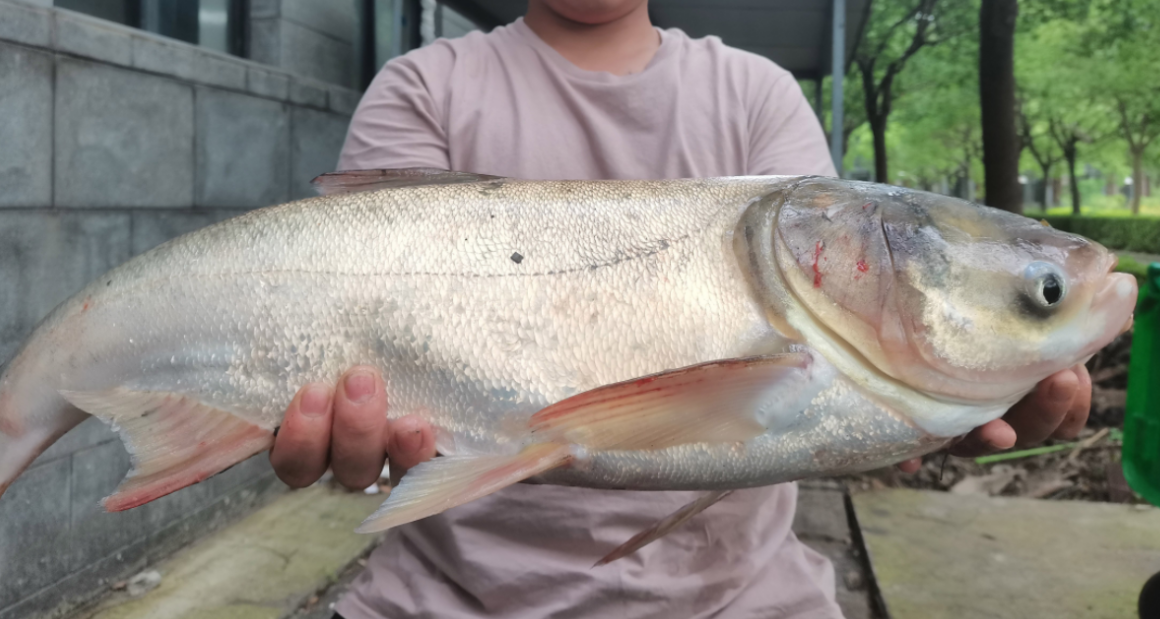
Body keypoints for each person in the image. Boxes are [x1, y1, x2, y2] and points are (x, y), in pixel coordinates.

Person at [268, 1, 1095, 617]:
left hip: (745, 594)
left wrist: (955, 377)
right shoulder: (424, 86)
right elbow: (370, 373)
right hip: (439, 595)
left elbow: (835, 368)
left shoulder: (757, 94)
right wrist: (359, 434)